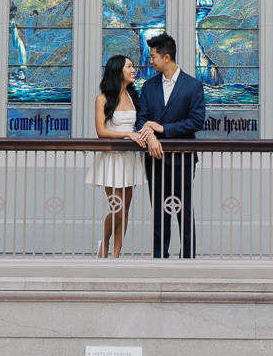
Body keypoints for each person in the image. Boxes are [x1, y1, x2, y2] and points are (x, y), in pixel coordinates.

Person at [135, 33, 209, 259]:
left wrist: (164, 130)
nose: (150, 60)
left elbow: (196, 121)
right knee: (158, 210)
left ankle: (188, 258)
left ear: (167, 57)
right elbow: (142, 119)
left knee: (184, 209)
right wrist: (150, 138)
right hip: (154, 158)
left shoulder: (193, 86)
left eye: (153, 56)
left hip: (183, 158)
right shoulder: (148, 86)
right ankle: (159, 257)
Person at [86, 54, 150, 257]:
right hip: (112, 158)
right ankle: (103, 245)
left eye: (133, 66)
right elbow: (101, 132)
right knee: (117, 209)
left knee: (126, 210)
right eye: (129, 67)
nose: (134, 70)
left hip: (130, 158)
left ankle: (116, 255)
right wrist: (127, 134)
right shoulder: (102, 99)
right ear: (117, 71)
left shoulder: (134, 96)